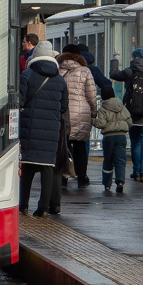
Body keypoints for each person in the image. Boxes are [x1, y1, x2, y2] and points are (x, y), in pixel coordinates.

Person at [18, 42, 69, 216]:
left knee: (27, 168)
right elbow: (63, 107)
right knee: (47, 168)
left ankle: (23, 205)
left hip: (30, 129)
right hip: (51, 130)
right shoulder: (60, 80)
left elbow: (20, 102)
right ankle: (43, 208)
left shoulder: (27, 75)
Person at [57, 48, 99, 187]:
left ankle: (64, 176)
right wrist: (93, 111)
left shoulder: (58, 69)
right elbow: (91, 95)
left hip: (63, 112)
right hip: (81, 113)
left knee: (64, 145)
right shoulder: (85, 71)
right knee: (80, 146)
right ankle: (82, 177)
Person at [111, 48, 143, 183]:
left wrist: (116, 58)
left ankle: (136, 171)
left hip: (131, 110)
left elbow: (113, 74)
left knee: (135, 143)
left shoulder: (129, 71)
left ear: (133, 57)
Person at [94, 90, 131, 193]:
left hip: (108, 137)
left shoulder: (103, 109)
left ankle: (107, 184)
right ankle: (120, 182)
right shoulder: (122, 107)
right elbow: (129, 121)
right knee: (120, 159)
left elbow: (101, 124)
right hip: (121, 136)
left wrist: (93, 121)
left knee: (108, 160)